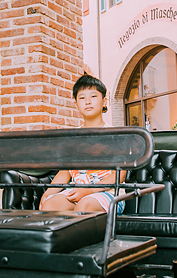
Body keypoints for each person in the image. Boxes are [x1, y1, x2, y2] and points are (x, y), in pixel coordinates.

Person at [40, 75, 125, 214]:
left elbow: (119, 176)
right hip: (75, 192)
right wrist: (47, 193)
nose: (87, 102)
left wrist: (88, 191)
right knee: (49, 205)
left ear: (104, 101)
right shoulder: (72, 137)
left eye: (93, 96)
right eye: (82, 98)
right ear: (76, 104)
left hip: (109, 194)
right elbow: (64, 172)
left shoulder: (115, 135)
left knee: (85, 206)